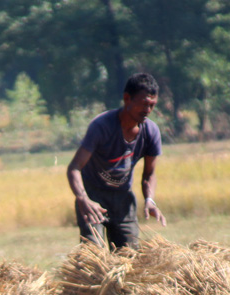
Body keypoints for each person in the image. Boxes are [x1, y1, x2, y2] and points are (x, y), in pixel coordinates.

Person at [66, 72, 166, 250]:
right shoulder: (102, 126)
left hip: (123, 199)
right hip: (93, 196)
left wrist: (150, 199)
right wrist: (83, 199)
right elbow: (74, 168)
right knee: (93, 253)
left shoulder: (150, 132)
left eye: (152, 105)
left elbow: (149, 174)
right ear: (127, 99)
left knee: (129, 256)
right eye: (143, 104)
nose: (147, 110)